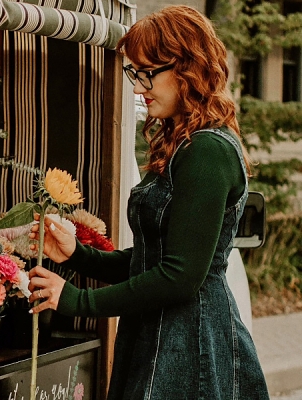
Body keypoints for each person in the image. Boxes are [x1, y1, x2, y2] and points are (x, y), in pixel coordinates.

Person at [27, 5, 270, 399]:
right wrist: (78, 255)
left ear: (187, 68)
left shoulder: (207, 151)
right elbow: (151, 260)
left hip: (191, 348)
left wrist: (78, 300)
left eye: (147, 74)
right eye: (133, 73)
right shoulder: (183, 145)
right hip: (161, 336)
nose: (138, 88)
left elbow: (179, 276)